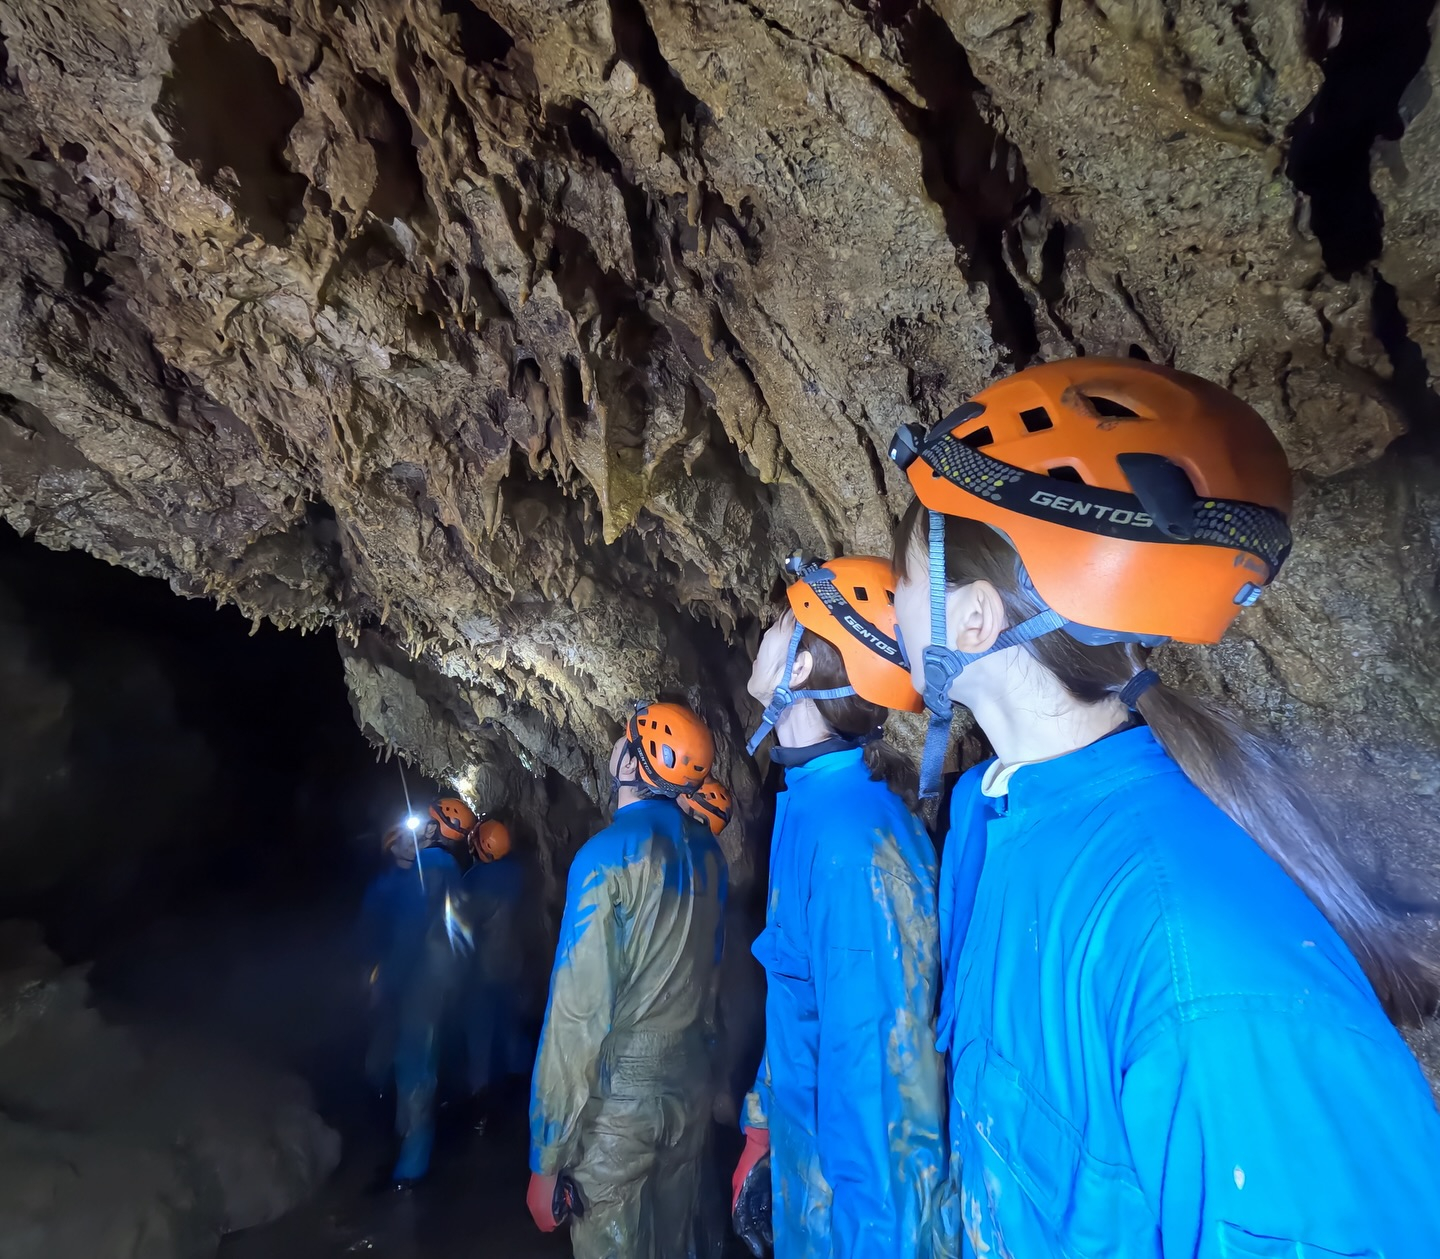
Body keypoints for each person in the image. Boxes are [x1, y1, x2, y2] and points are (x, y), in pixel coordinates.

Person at [885, 357, 1440, 1258]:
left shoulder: (1205, 969)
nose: (893, 598)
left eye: (907, 572)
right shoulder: (1002, 826)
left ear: (975, 620)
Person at [735, 556, 945, 1259]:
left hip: (852, 1220)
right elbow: (800, 994)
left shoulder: (852, 843)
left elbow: (879, 1097)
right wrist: (762, 1128)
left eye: (776, 625)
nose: (761, 636)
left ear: (797, 669)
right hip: (812, 1186)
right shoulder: (812, 808)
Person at [527, 701, 729, 1259]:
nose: (615, 744)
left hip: (620, 1106)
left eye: (625, 739)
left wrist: (546, 1155)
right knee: (673, 1243)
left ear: (635, 764)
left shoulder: (604, 858)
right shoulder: (710, 856)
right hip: (686, 1090)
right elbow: (709, 986)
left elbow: (577, 1011)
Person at [372, 796, 475, 1188]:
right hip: (437, 981)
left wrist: (388, 979)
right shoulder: (449, 869)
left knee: (416, 1067)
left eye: (427, 822)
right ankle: (407, 1148)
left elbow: (409, 932)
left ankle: (411, 1167)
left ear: (435, 829)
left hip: (421, 981)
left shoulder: (429, 868)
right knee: (414, 1059)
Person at [460, 815, 529, 1132]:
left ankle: (480, 1101)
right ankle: (522, 1086)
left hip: (482, 968)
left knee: (480, 1033)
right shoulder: (515, 873)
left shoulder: (474, 880)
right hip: (512, 962)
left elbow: (463, 922)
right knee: (511, 1023)